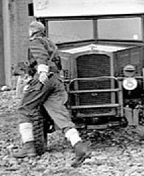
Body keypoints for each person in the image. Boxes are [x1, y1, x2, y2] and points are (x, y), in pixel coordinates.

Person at [13, 21, 90, 167]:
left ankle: (28, 146)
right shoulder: (50, 43)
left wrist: (41, 73)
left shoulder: (35, 42)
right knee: (59, 115)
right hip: (57, 80)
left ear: (32, 31)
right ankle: (79, 146)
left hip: (44, 79)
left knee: (24, 109)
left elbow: (41, 58)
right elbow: (56, 63)